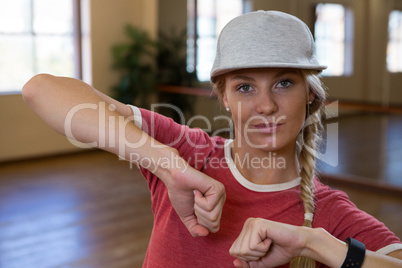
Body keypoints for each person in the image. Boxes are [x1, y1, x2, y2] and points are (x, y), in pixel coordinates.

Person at [22, 10, 401, 268]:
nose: (266, 106)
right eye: (245, 87)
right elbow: (41, 90)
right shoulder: (186, 153)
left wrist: (313, 243)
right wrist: (168, 166)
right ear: (224, 97)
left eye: (284, 83)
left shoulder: (329, 213)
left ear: (311, 96)